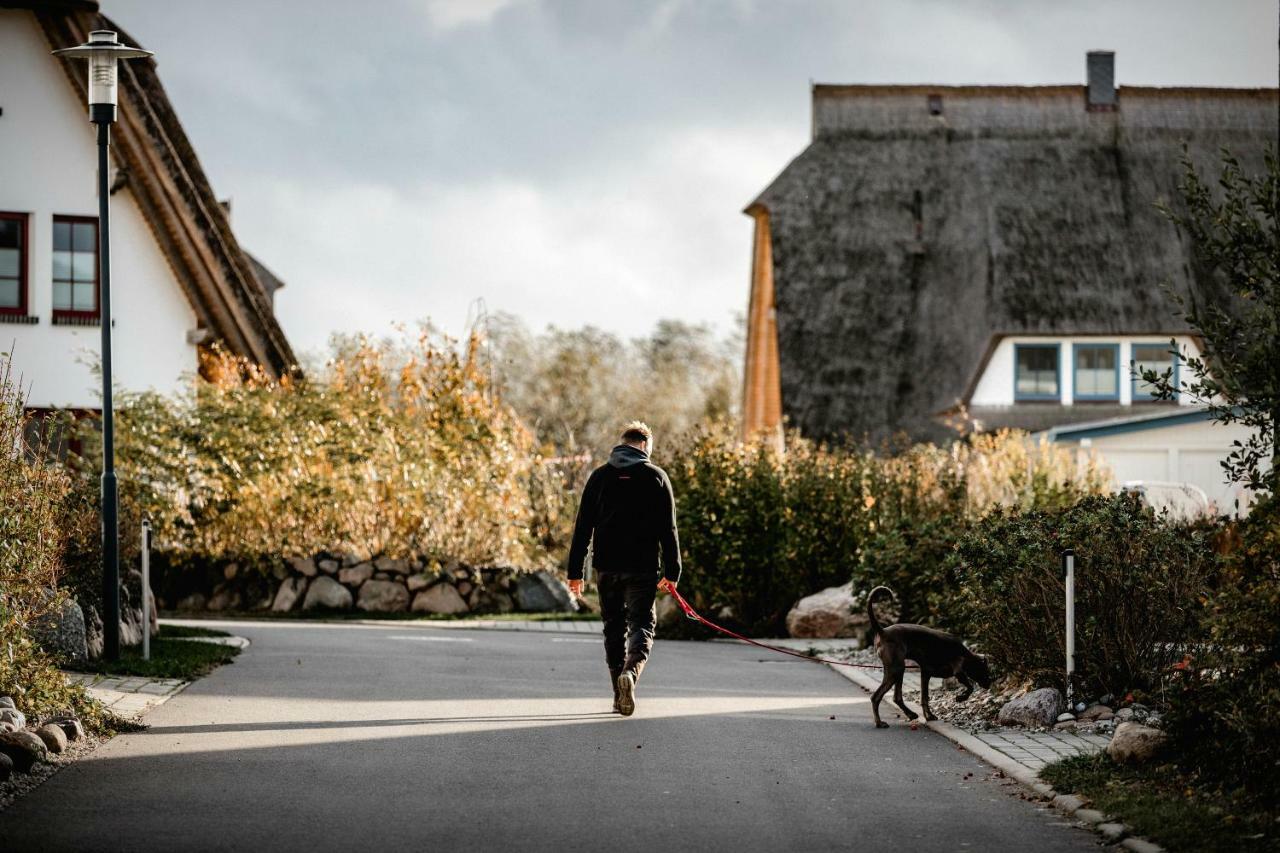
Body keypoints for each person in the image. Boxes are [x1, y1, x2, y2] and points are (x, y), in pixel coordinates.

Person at [567, 421, 682, 717]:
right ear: (645, 446)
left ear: (622, 443)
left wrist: (575, 573)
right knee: (643, 624)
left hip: (606, 567)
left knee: (613, 628)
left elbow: (582, 529)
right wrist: (673, 573)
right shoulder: (657, 477)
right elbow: (668, 529)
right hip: (642, 568)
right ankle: (630, 675)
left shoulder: (599, 477)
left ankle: (618, 696)